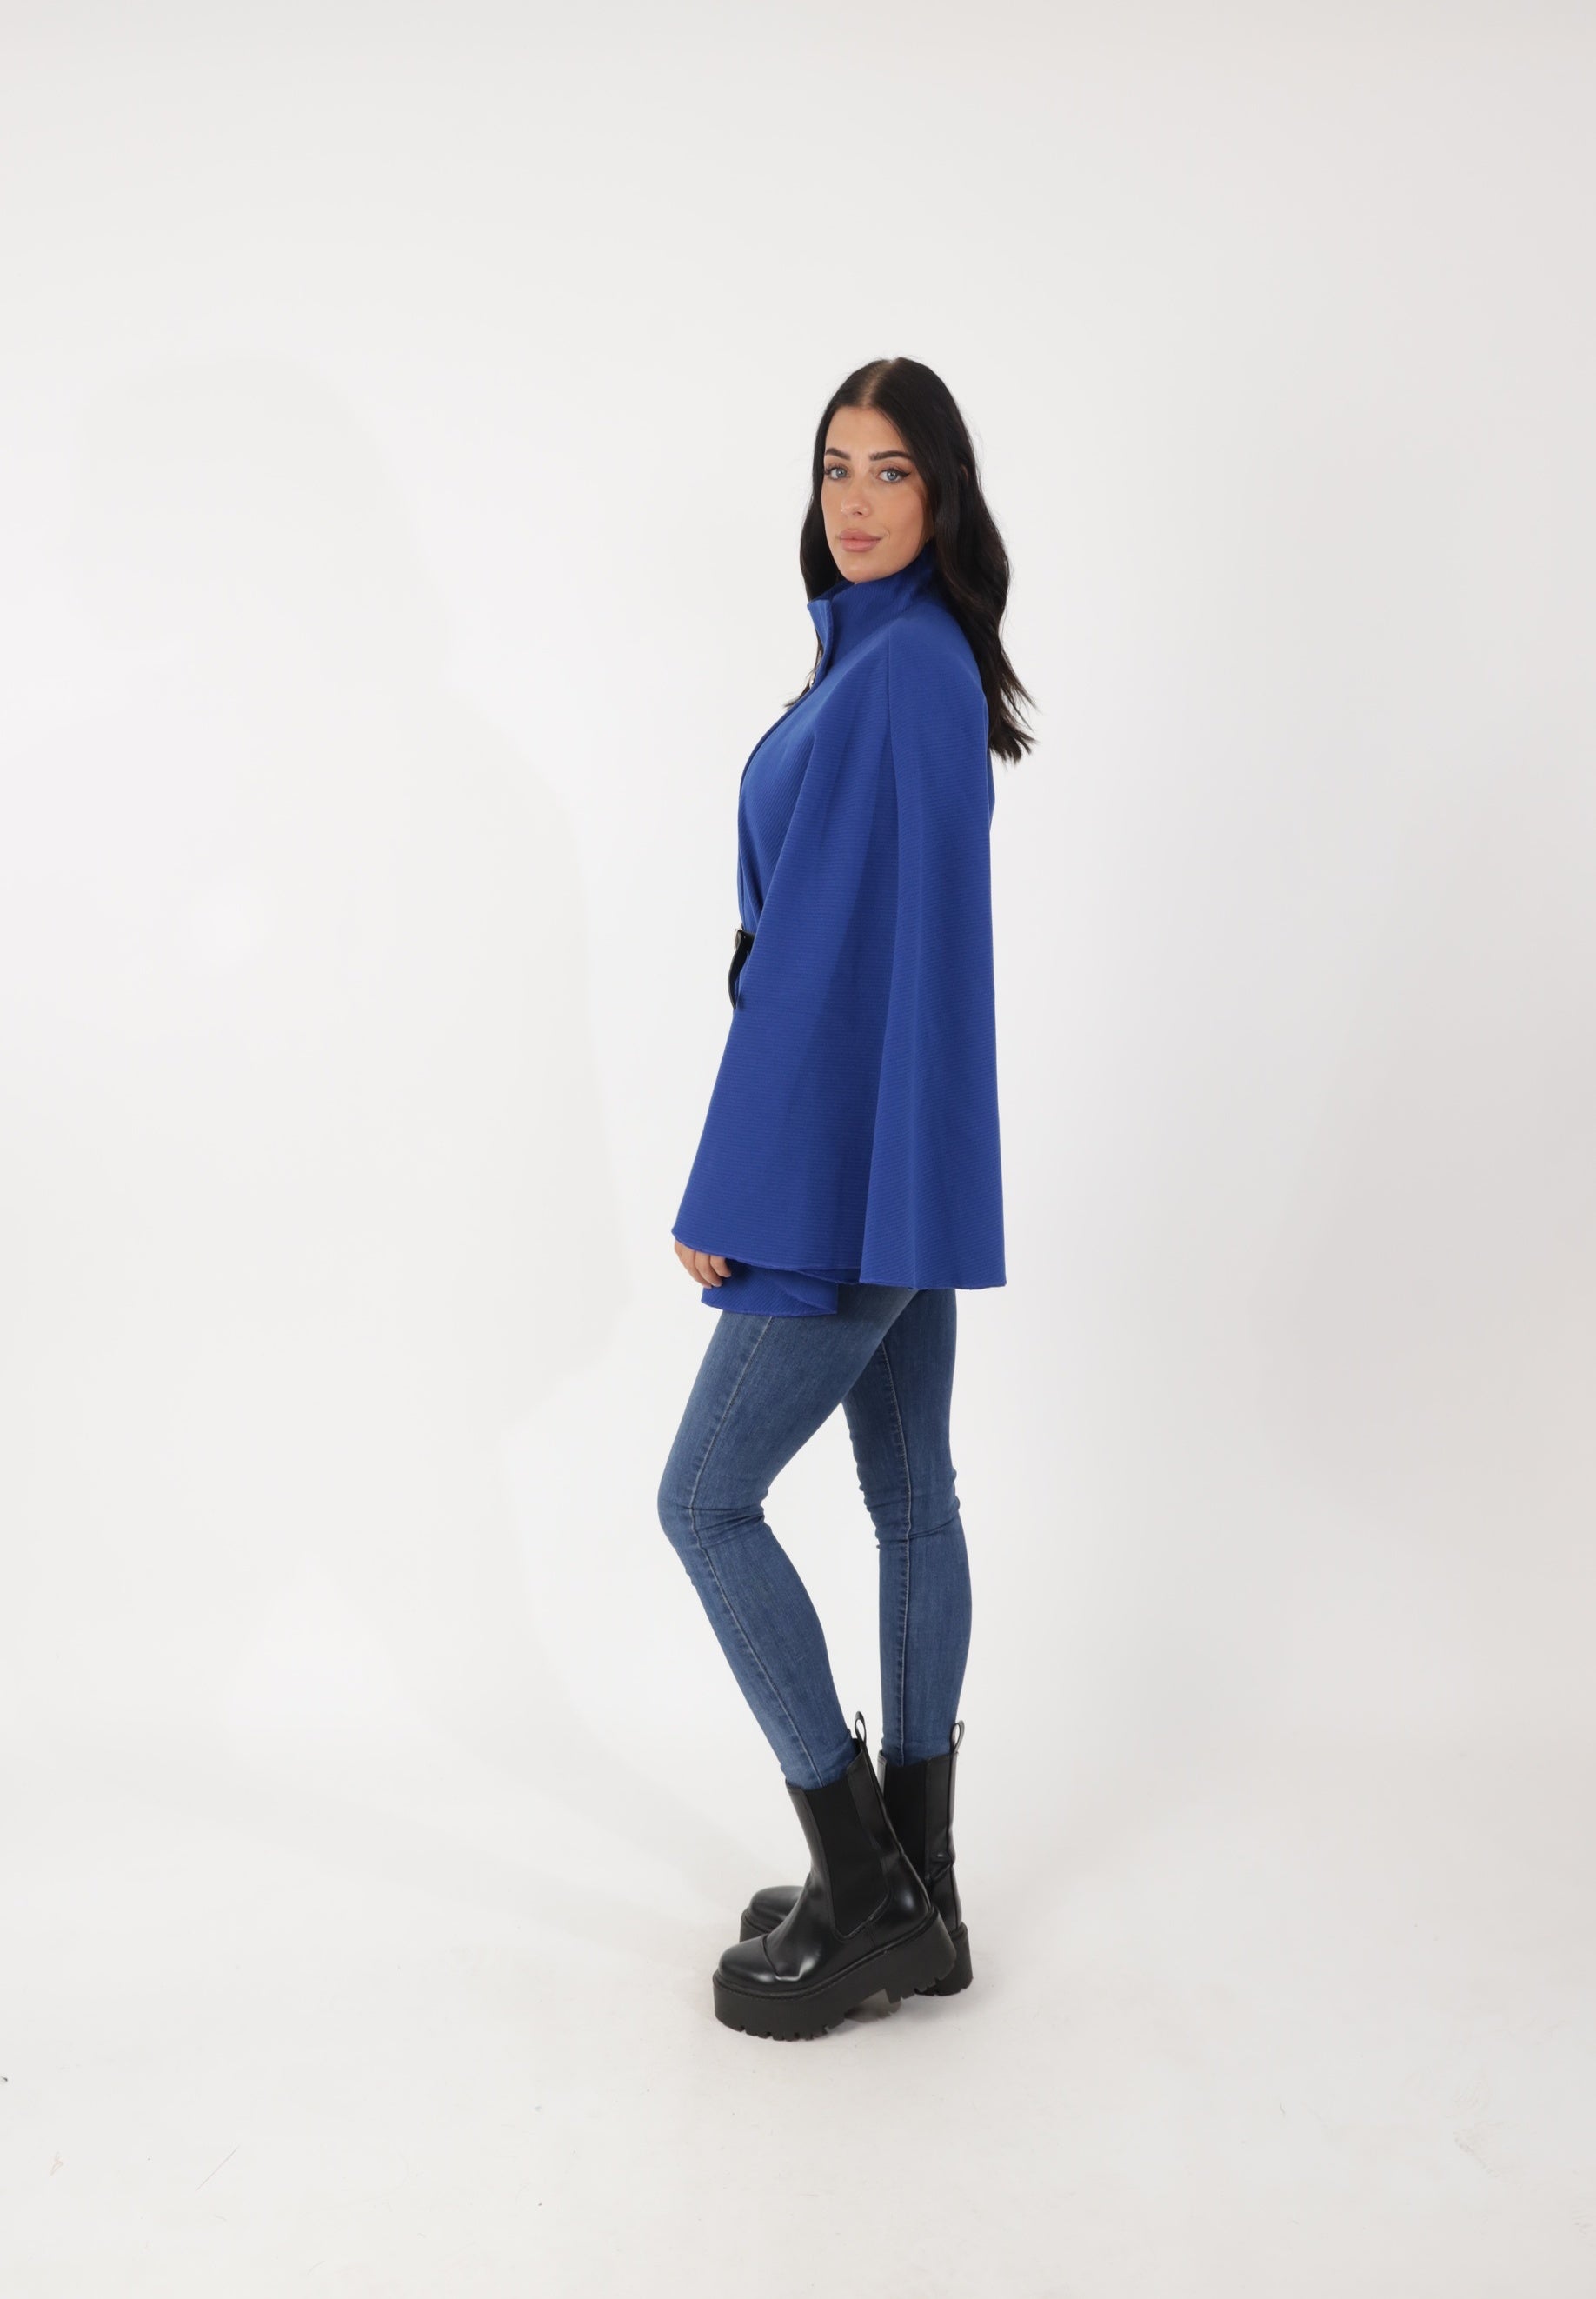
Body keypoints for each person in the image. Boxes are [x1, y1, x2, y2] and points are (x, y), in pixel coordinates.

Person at [657, 356, 1034, 2041]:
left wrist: (732, 1181)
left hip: (838, 1157)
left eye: (891, 469)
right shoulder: (900, 658)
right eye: (835, 467)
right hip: (902, 1150)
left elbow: (814, 968)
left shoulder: (896, 677)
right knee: (910, 1497)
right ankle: (919, 1884)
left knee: (704, 1498)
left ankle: (864, 1883)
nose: (858, 498)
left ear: (941, 495)